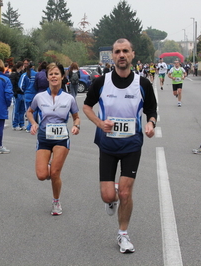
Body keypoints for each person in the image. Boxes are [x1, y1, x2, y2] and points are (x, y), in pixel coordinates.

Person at [83, 38, 157, 253]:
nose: (121, 55)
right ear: (112, 56)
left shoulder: (142, 84)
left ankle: (123, 234)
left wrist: (151, 124)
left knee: (125, 193)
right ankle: (111, 196)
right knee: (108, 195)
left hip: (132, 145)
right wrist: (99, 123)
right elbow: (87, 106)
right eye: (117, 51)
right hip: (107, 145)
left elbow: (151, 110)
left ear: (133, 54)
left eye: (125, 51)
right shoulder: (101, 82)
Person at [26, 62, 80, 216]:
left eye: (57, 73)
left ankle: (56, 202)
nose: (54, 76)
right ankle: (50, 164)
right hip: (43, 138)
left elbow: (76, 118)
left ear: (62, 76)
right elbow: (30, 112)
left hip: (61, 139)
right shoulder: (39, 97)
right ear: (47, 77)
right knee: (42, 175)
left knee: (55, 173)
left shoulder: (69, 98)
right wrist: (33, 123)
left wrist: (76, 126)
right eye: (51, 74)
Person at [19, 62, 37, 132]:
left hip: (27, 95)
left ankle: (29, 126)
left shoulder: (24, 75)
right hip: (35, 94)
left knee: (28, 111)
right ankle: (33, 125)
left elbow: (21, 86)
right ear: (33, 67)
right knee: (34, 111)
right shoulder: (36, 74)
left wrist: (25, 91)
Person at [10, 61, 25, 131]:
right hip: (17, 93)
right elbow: (12, 85)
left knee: (22, 109)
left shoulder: (21, 74)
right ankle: (15, 124)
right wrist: (14, 93)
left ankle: (21, 124)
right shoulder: (14, 75)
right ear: (21, 67)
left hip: (22, 93)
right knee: (16, 109)